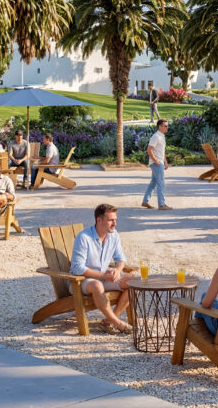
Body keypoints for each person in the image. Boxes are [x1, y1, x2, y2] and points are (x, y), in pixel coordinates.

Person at [70, 203, 133, 333]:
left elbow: (121, 259)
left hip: (103, 278)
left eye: (115, 220)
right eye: (110, 220)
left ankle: (109, 321)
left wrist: (117, 271)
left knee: (134, 280)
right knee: (97, 285)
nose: (114, 223)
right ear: (99, 220)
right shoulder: (84, 237)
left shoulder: (113, 235)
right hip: (80, 281)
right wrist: (104, 275)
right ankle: (118, 323)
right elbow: (77, 268)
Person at [140, 120, 172, 210]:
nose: (167, 127)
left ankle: (145, 201)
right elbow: (149, 150)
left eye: (167, 126)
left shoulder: (162, 136)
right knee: (161, 183)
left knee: (153, 183)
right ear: (159, 127)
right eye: (165, 126)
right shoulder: (156, 136)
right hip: (156, 163)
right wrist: (156, 161)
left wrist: (165, 162)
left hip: (160, 162)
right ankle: (161, 204)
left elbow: (162, 151)